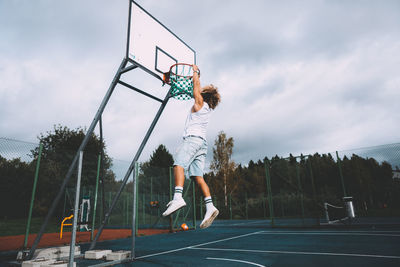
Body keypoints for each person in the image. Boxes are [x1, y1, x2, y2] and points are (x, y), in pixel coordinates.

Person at [162, 64, 221, 229]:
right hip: (202, 145)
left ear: (204, 95)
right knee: (197, 177)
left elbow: (196, 87)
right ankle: (210, 206)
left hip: (193, 140)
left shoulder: (200, 103)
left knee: (178, 165)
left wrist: (195, 72)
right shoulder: (207, 109)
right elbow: (195, 89)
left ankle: (178, 197)